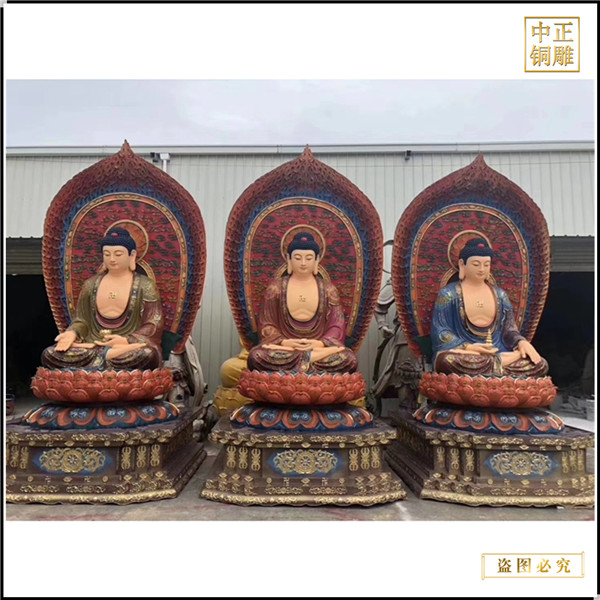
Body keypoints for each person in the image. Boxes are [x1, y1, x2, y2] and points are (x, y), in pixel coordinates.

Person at [42, 227, 163, 370]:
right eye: (107, 254)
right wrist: (72, 333)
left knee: (147, 354)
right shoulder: (90, 285)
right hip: (92, 345)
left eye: (118, 254)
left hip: (125, 347)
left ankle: (100, 363)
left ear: (132, 255)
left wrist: (127, 340)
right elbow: (82, 321)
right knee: (49, 354)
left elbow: (154, 323)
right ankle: (105, 358)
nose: (112, 259)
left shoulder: (145, 285)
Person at [431, 237, 548, 377]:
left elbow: (509, 330)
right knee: (447, 361)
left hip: (497, 351)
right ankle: (499, 365)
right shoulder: (449, 294)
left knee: (540, 364)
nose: (481, 269)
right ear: (462, 264)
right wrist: (469, 347)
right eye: (476, 264)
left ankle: (496, 364)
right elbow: (440, 332)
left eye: (486, 265)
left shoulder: (500, 295)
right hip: (467, 354)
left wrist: (521, 342)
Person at [247, 232, 357, 373]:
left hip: (317, 347)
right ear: (289, 259)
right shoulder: (275, 289)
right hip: (287, 348)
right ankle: (308, 362)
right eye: (298, 258)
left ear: (317, 260)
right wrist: (285, 342)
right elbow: (267, 325)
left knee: (349, 359)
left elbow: (337, 327)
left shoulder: (328, 290)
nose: (303, 263)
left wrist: (320, 343)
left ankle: (299, 365)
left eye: (309, 258)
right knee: (256, 356)